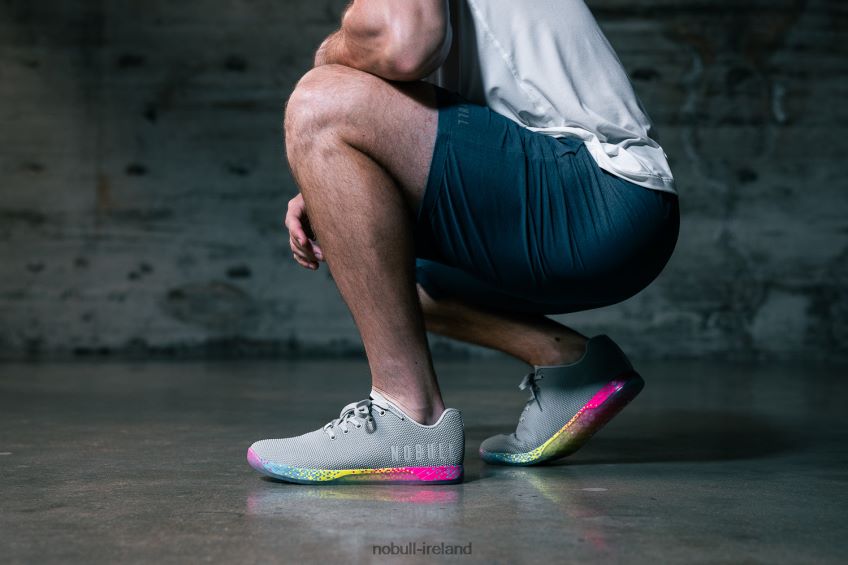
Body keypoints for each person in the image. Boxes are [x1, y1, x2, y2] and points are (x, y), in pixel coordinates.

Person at [247, 0, 679, 484]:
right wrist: (329, 188)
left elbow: (406, 45)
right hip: (618, 218)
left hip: (598, 189)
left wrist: (328, 56)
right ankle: (569, 363)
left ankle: (408, 416)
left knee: (318, 101)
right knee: (382, 273)